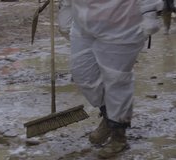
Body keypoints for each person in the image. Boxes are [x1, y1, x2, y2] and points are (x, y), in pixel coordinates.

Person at [58, 0, 162, 159]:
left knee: (116, 79)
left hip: (123, 24)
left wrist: (149, 12)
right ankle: (109, 116)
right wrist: (65, 8)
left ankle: (118, 135)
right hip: (83, 24)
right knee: (83, 74)